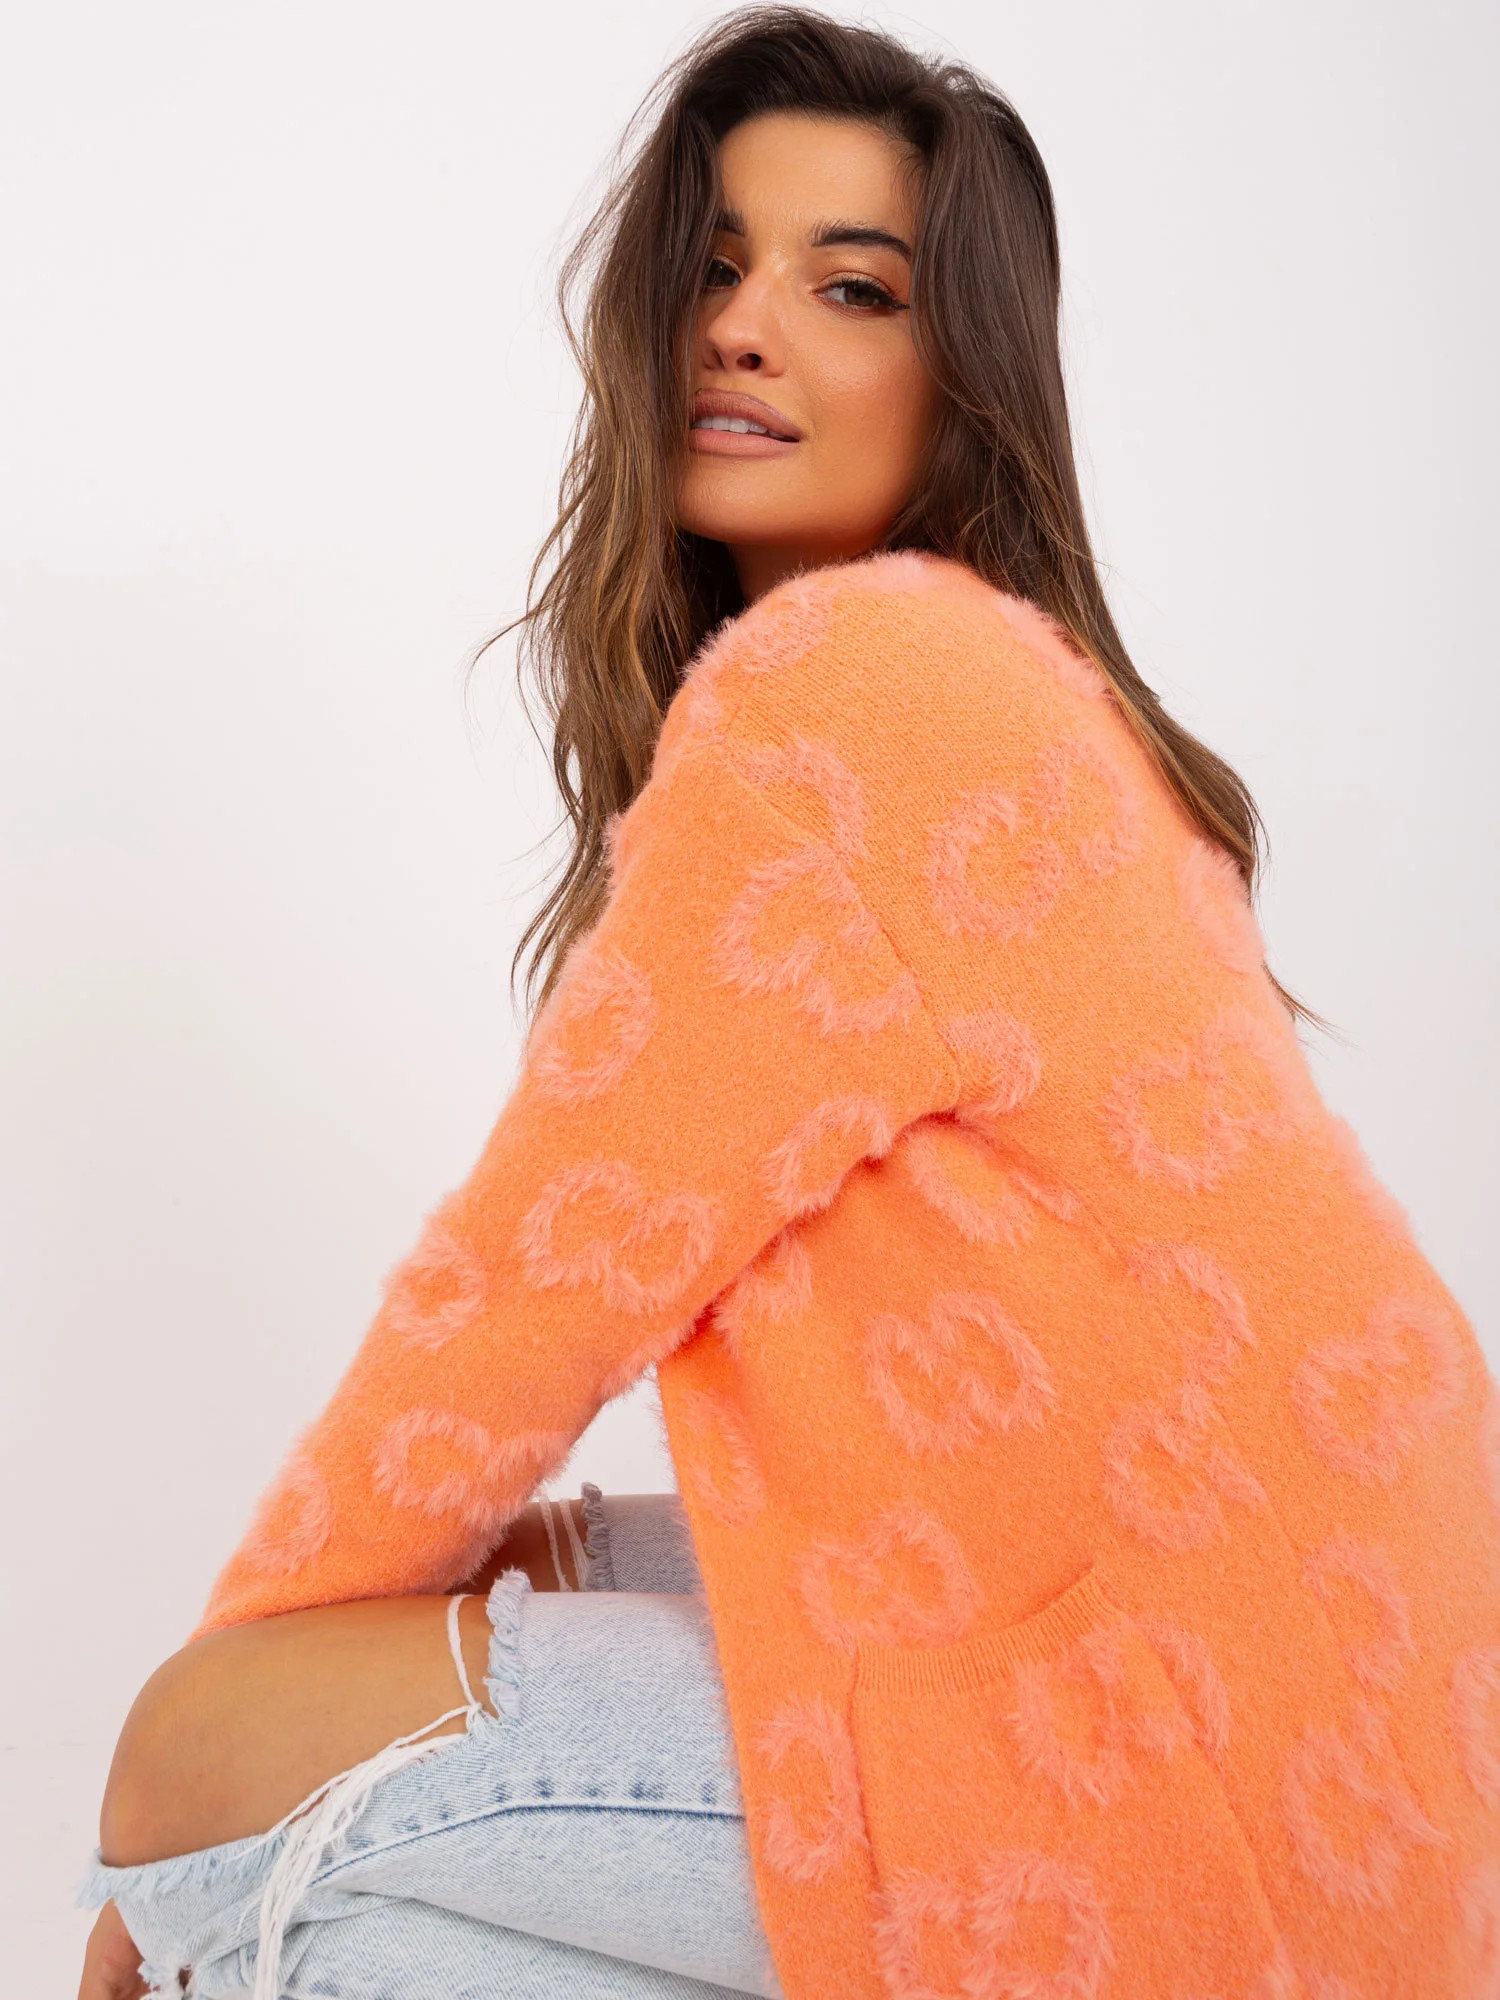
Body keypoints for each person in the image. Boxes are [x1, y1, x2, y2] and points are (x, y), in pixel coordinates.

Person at [77, 8, 1496, 1999]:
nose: (744, 328)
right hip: (1362, 1709)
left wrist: (200, 1804)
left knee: (205, 1763)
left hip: (1206, 1746)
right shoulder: (992, 681)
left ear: (963, 374)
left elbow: (521, 1295)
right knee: (401, 1780)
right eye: (717, 266)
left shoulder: (860, 684)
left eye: (850, 288)